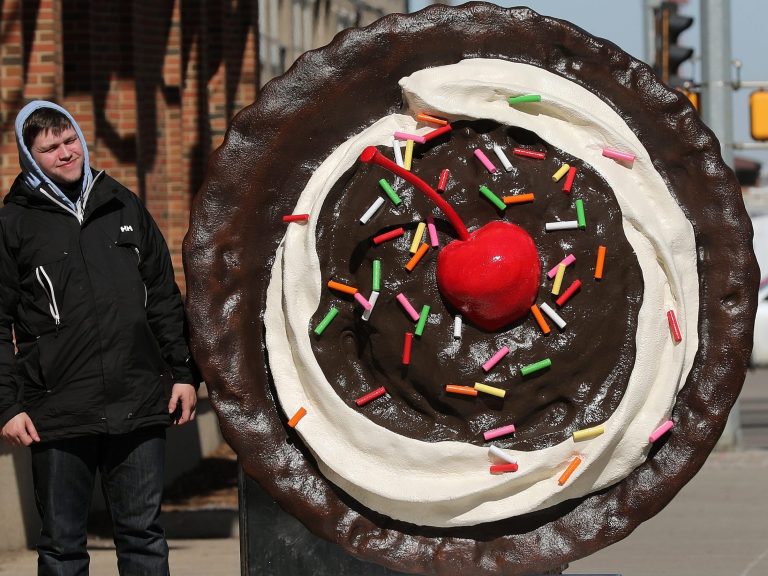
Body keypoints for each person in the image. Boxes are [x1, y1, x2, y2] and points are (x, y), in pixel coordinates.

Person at [0, 100, 197, 575]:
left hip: (139, 398)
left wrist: (184, 373)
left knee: (144, 538)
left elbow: (164, 298)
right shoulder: (15, 224)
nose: (65, 153)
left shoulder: (122, 204)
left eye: (70, 141)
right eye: (50, 148)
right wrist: (7, 406)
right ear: (31, 158)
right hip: (58, 409)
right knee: (64, 546)